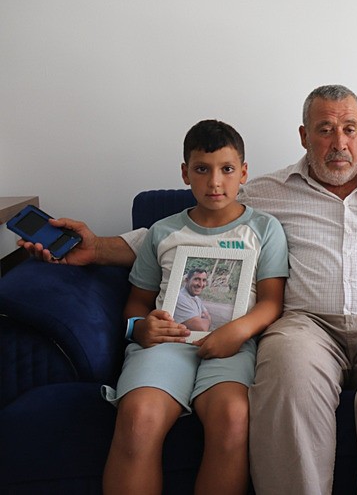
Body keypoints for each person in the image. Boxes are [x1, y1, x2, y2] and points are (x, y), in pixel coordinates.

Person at [25, 85, 357, 494]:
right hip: (308, 328)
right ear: (304, 136)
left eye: (349, 129)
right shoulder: (265, 193)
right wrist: (97, 248)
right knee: (286, 365)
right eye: (325, 130)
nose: (339, 142)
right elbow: (186, 233)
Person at [100, 119, 289, 495]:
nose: (215, 182)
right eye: (202, 169)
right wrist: (140, 327)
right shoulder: (163, 232)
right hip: (166, 344)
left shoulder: (264, 229)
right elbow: (138, 301)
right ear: (185, 173)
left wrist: (238, 331)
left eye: (227, 169)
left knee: (233, 417)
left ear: (243, 173)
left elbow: (272, 301)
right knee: (138, 417)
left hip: (232, 346)